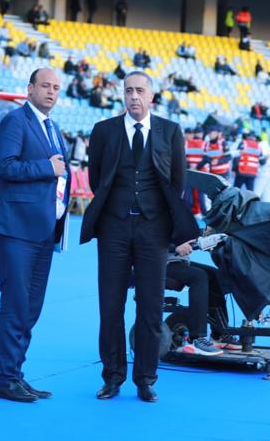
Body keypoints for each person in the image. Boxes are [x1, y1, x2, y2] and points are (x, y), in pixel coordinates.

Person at [81, 72, 198, 403]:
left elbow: (177, 182)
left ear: (151, 96)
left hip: (154, 231)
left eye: (140, 91)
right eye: (128, 90)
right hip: (113, 229)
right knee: (110, 306)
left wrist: (158, 220)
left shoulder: (170, 131)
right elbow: (95, 179)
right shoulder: (104, 130)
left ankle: (145, 379)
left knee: (149, 308)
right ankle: (112, 377)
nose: (133, 96)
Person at [0, 68, 69, 403]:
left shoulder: (53, 127)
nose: (51, 92)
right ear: (30, 88)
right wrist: (46, 168)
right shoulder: (14, 121)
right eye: (45, 86)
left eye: (56, 88)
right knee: (16, 303)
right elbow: (3, 166)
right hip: (14, 229)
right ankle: (5, 379)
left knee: (31, 306)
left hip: (43, 230)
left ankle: (15, 375)